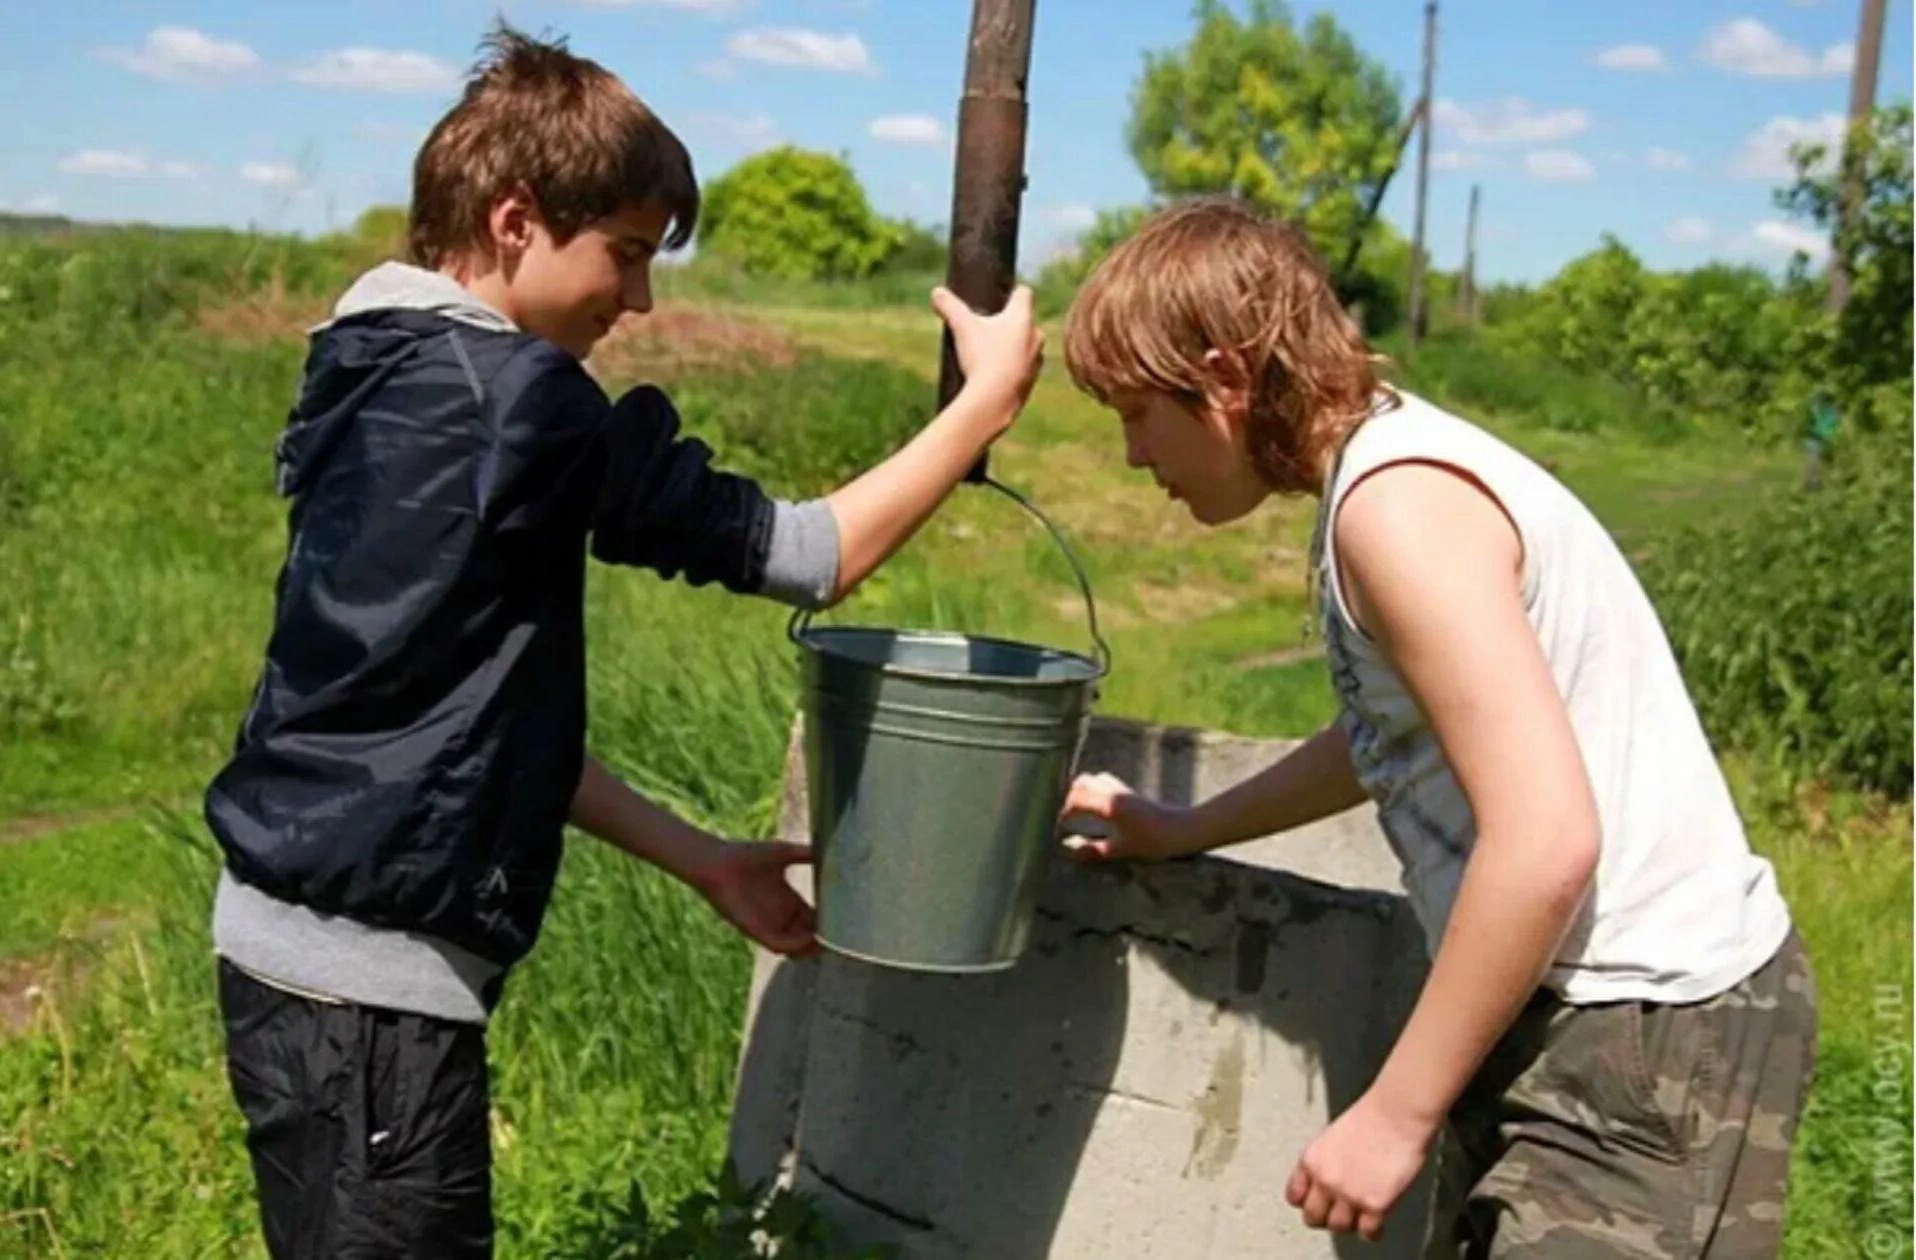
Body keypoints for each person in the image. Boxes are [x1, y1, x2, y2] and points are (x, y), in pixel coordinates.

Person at [202, 25, 1042, 1257]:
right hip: (373, 1006)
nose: (641, 299)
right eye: (629, 254)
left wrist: (701, 857)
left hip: (291, 963)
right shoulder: (517, 403)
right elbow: (810, 556)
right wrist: (981, 407)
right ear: (513, 218)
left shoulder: (368, 363)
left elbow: (463, 720)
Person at [1057, 198, 1814, 1258]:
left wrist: (1396, 1112)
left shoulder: (1397, 509)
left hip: (1646, 1027)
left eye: (1136, 413)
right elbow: (1386, 738)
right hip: (1584, 1015)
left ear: (1225, 380)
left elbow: (1548, 839)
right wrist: (1185, 828)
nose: (1135, 454)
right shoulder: (1382, 476)